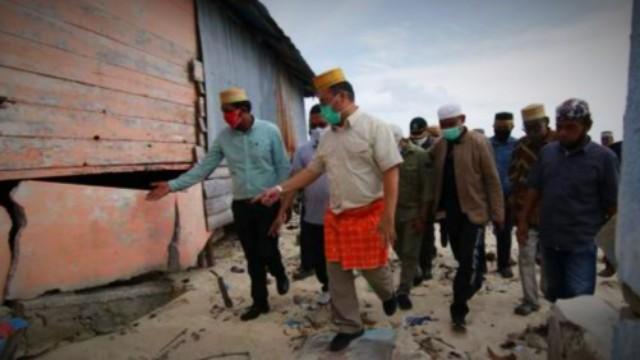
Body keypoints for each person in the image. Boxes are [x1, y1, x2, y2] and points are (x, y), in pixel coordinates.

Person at [255, 68, 402, 352]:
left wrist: (388, 217)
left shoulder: (375, 128)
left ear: (341, 97)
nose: (321, 109)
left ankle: (388, 293)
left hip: (369, 213)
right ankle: (350, 326)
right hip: (337, 217)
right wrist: (280, 189)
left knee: (374, 271)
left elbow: (391, 173)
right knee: (337, 275)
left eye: (323, 102)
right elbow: (311, 171)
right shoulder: (328, 138)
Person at [146, 87, 291, 321]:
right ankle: (260, 302)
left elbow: (283, 168)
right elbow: (204, 168)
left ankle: (279, 272)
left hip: (268, 204)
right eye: (223, 112)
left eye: (228, 111)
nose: (225, 116)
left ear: (243, 110)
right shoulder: (224, 138)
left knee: (268, 250)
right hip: (242, 206)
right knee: (252, 257)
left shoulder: (269, 131)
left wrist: (284, 204)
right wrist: (173, 185)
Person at [517, 98, 619, 302]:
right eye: (560, 127)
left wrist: (611, 248)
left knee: (579, 298)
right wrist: (522, 222)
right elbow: (534, 188)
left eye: (570, 127)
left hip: (581, 241)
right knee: (553, 294)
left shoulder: (604, 158)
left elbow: (612, 206)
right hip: (550, 239)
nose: (563, 132)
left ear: (587, 126)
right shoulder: (548, 153)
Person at [431, 104, 504, 331]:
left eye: (451, 124)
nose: (447, 129)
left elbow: (492, 179)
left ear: (462, 119)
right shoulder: (441, 145)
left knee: (467, 261)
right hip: (450, 215)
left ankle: (458, 307)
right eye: (443, 125)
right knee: (464, 258)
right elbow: (426, 165)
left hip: (475, 212)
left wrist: (498, 212)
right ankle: (474, 278)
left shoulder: (478, 142)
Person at [271, 105, 331, 304]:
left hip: (339, 215)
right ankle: (327, 286)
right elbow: (294, 183)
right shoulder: (303, 151)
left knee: (339, 259)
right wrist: (282, 210)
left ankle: (341, 292)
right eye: (312, 125)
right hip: (313, 216)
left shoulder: (342, 146)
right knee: (319, 259)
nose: (317, 129)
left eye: (322, 124)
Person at [509, 104, 556, 315]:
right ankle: (530, 299)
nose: (533, 132)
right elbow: (514, 177)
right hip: (526, 212)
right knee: (526, 257)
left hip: (555, 214)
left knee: (549, 258)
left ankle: (550, 293)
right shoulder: (521, 146)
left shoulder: (559, 144)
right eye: (528, 128)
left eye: (536, 127)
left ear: (546, 123)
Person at [389, 124, 434, 310]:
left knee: (409, 251)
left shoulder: (420, 156)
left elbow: (427, 189)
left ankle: (403, 291)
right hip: (391, 212)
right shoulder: (382, 156)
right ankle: (415, 270)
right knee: (397, 247)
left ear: (400, 140)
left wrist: (422, 217)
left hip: (413, 212)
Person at [408, 117, 438, 283]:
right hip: (412, 196)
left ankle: (426, 267)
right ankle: (415, 266)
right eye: (413, 133)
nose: (416, 136)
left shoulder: (435, 145)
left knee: (427, 234)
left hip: (429, 196)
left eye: (419, 132)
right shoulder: (407, 146)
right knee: (412, 234)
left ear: (426, 130)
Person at [490, 112, 518, 278]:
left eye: (505, 128)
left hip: (508, 195)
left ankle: (503, 264)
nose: (501, 130)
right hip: (487, 194)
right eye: (499, 127)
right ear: (493, 127)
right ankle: (480, 266)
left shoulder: (516, 145)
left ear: (512, 127)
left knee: (504, 231)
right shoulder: (486, 144)